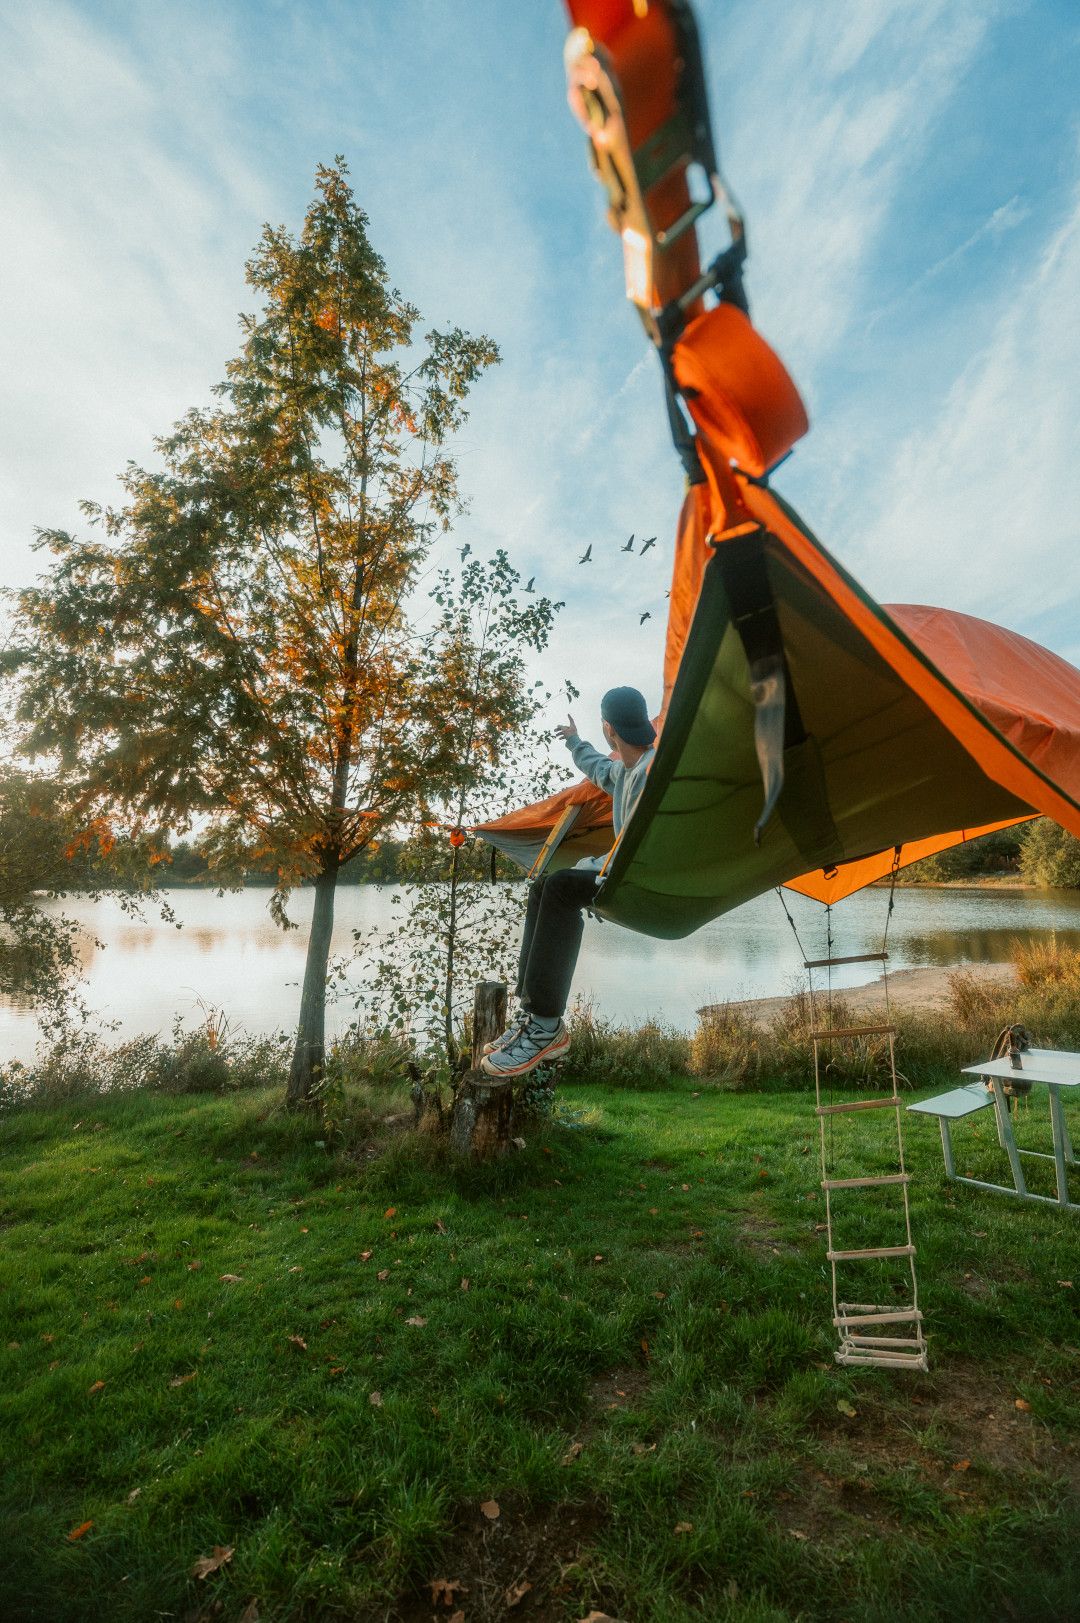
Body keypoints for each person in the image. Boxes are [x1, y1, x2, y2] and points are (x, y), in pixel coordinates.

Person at [479, 686, 656, 1081]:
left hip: (642, 876)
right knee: (545, 885)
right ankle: (530, 1013)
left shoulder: (654, 772)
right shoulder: (625, 770)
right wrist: (575, 741)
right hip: (620, 870)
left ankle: (546, 1026)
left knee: (560, 888)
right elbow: (597, 766)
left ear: (610, 729)